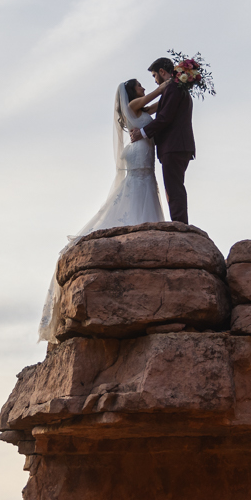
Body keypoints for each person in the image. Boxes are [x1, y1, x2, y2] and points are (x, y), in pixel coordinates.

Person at [36, 77, 166, 340]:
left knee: (141, 188)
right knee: (139, 189)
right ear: (132, 92)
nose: (143, 87)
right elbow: (155, 96)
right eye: (140, 85)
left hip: (140, 151)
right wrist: (174, 82)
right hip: (140, 152)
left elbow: (156, 109)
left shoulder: (139, 110)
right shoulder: (135, 103)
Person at [144, 56, 195, 224]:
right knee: (174, 186)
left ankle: (180, 225)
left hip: (174, 146)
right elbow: (158, 110)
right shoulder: (178, 88)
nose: (155, 80)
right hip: (180, 146)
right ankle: (180, 223)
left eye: (154, 76)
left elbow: (165, 117)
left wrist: (143, 132)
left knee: (174, 188)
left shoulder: (173, 88)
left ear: (161, 72)